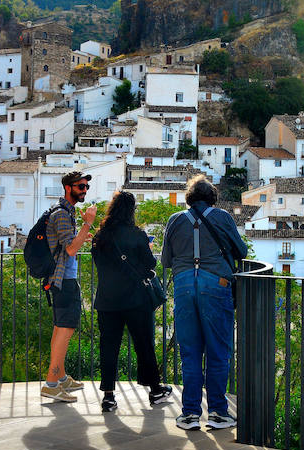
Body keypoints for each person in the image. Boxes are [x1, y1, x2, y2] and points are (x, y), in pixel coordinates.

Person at [160, 174, 246, 430]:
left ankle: (190, 414)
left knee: (190, 354)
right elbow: (241, 251)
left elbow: (166, 260)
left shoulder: (175, 220)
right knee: (218, 353)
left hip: (185, 287)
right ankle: (218, 412)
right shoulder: (222, 217)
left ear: (189, 198)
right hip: (215, 287)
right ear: (212, 198)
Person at [91, 191, 171, 414]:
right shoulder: (137, 235)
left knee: (109, 348)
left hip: (107, 300)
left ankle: (108, 397)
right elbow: (149, 266)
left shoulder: (100, 237)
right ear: (131, 210)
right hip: (136, 299)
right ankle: (155, 390)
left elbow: (98, 264)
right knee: (144, 345)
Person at [40, 171, 96, 403]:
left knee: (59, 328)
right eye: (80, 187)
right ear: (68, 188)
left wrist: (84, 233)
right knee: (66, 329)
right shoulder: (62, 214)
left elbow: (68, 245)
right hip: (63, 280)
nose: (84, 191)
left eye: (86, 187)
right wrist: (87, 224)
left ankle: (61, 378)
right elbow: (71, 250)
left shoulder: (65, 212)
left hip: (60, 278)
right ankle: (51, 384)